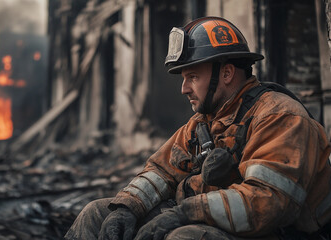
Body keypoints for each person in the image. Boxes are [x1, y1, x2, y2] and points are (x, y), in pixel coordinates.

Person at [64, 16, 331, 240]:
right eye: (183, 78)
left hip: (276, 232)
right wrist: (128, 208)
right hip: (216, 220)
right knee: (97, 213)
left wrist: (183, 214)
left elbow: (268, 204)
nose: (184, 88)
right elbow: (160, 171)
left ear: (226, 74)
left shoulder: (280, 116)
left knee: (185, 237)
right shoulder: (204, 122)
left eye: (192, 76)